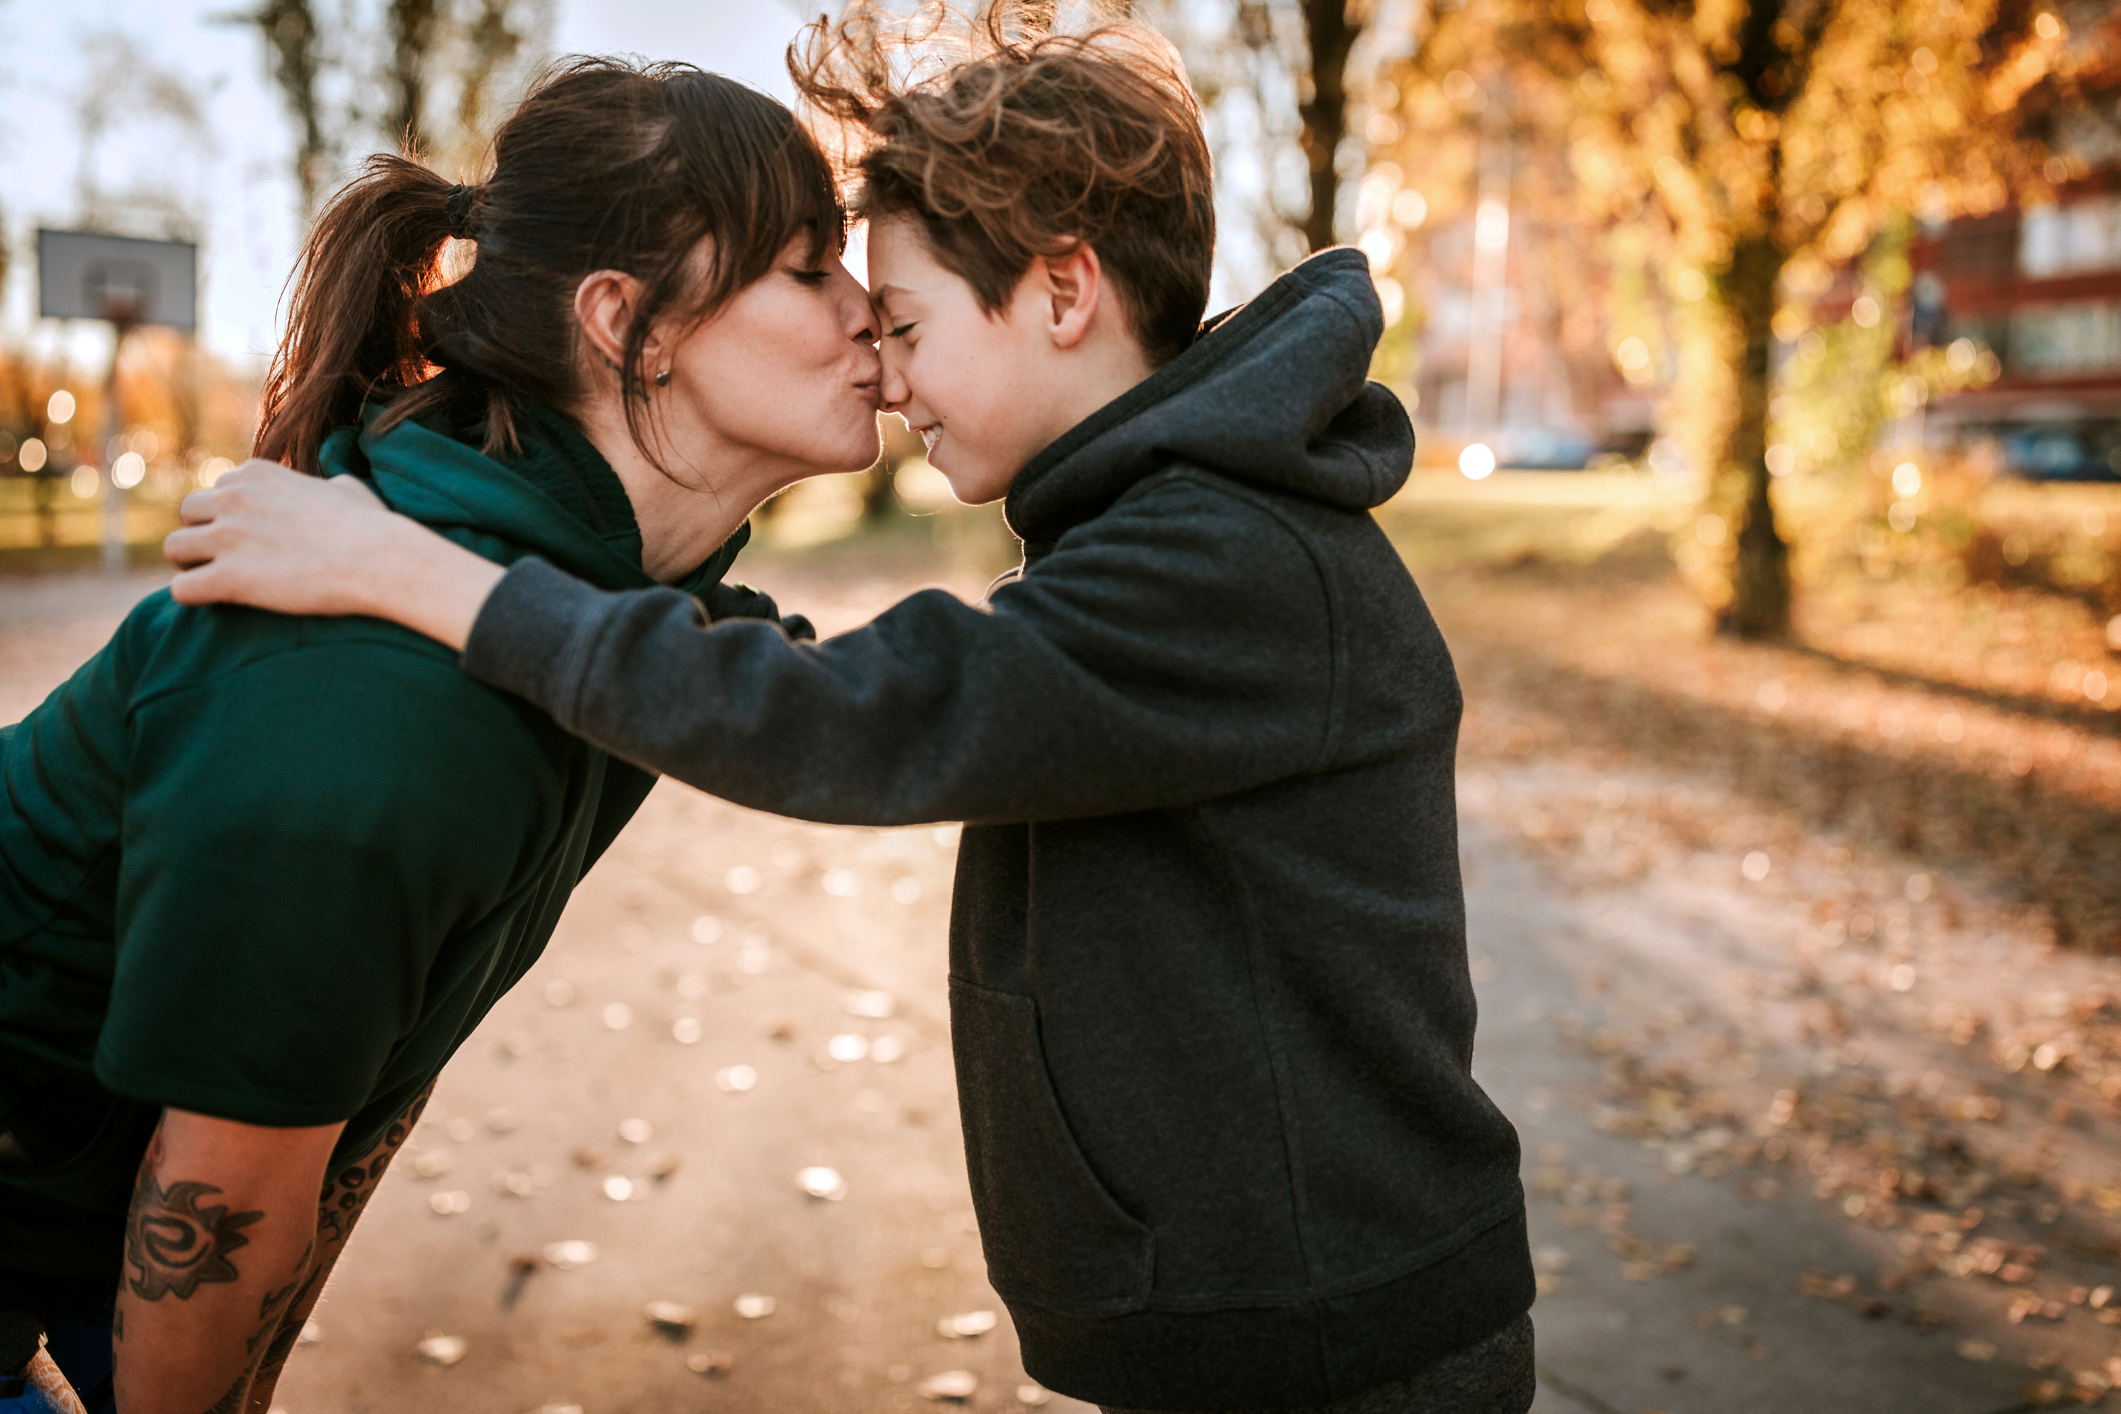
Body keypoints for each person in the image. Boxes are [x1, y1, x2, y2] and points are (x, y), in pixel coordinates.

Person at [165, 7, 1537, 1411]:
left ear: (1062, 296)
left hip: (1327, 1343)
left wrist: (432, 580)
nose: (886, 373)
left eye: (906, 323)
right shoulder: (1176, 527)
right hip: (1270, 1316)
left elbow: (855, 717)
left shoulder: (1222, 560)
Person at [0, 57, 883, 1414]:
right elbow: (225, 1198)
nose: (869, 311)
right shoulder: (383, 705)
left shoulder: (604, 619)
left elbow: (344, 1093)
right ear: (631, 325)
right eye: (810, 266)